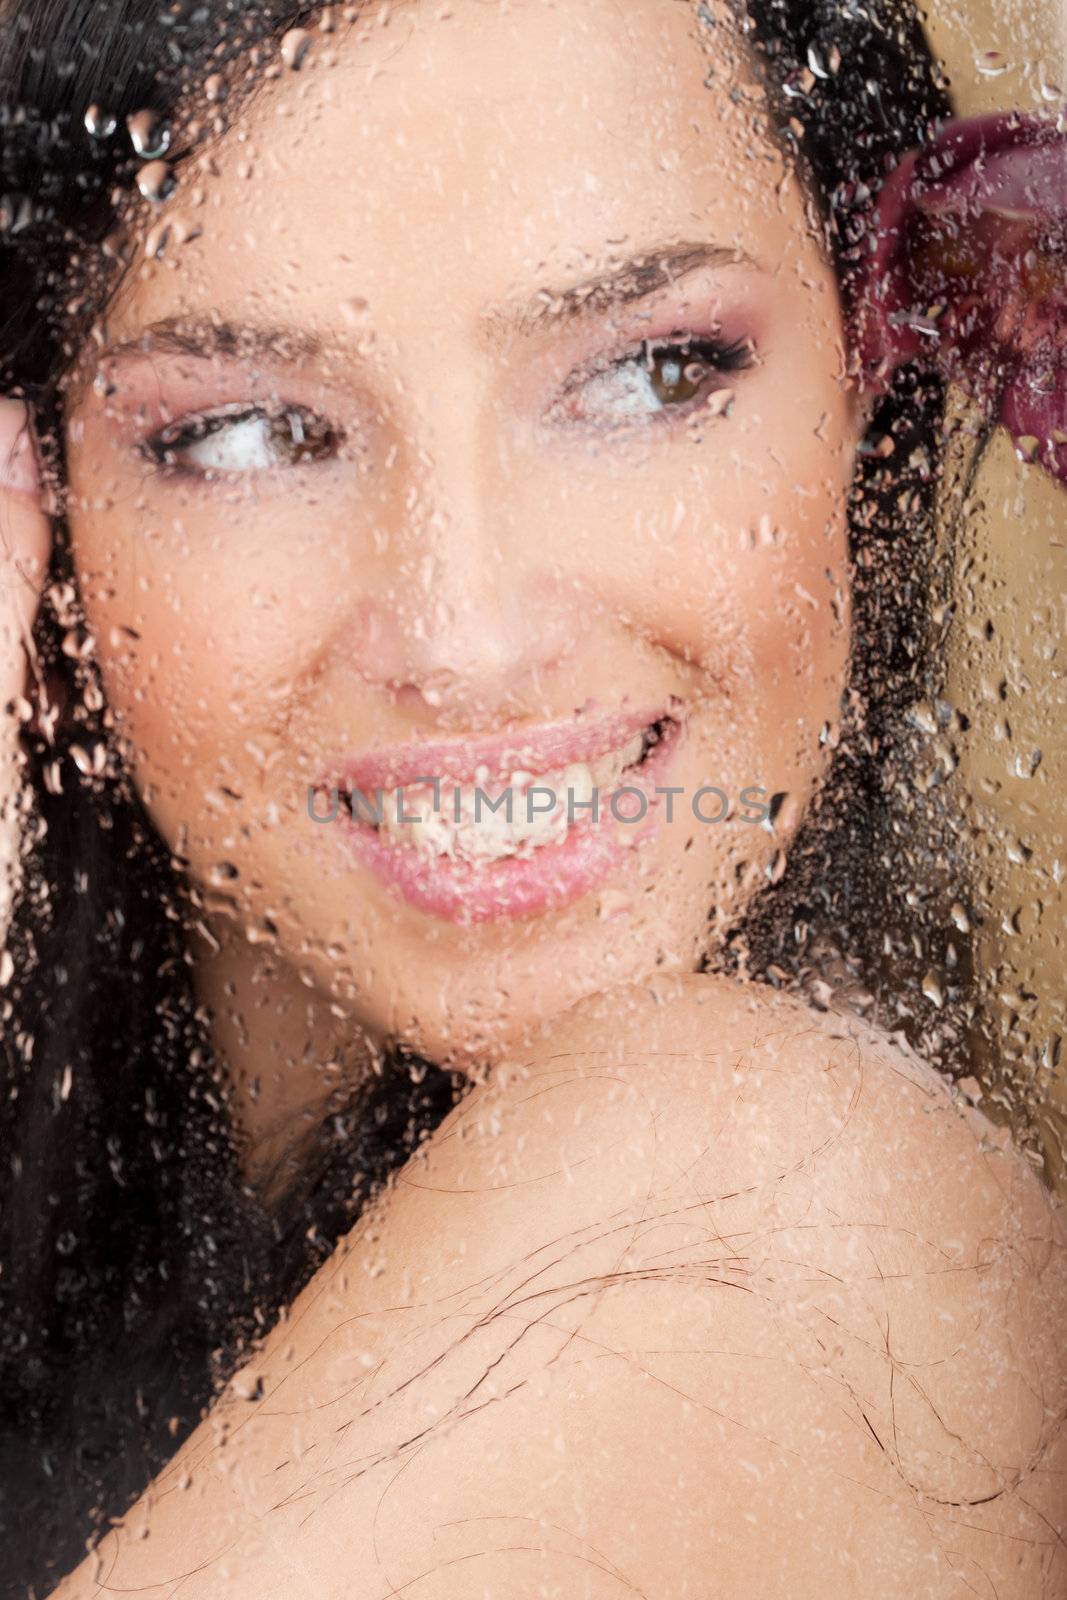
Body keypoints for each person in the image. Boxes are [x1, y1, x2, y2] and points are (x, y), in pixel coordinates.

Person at [0, 0, 1063, 1594]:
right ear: (41, 486)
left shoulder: (766, 1198)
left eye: (651, 374)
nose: (466, 638)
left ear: (867, 381)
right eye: (243, 432)